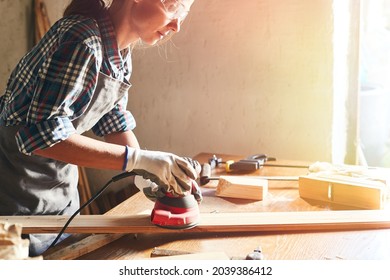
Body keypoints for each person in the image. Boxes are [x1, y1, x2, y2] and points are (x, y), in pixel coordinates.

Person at [0, 0, 201, 257]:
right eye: (174, 7)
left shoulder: (120, 52)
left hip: (59, 195)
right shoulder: (82, 40)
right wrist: (140, 160)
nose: (177, 25)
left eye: (183, 15)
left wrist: (147, 173)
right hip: (15, 194)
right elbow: (43, 137)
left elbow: (113, 121)